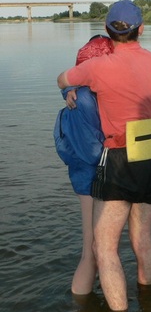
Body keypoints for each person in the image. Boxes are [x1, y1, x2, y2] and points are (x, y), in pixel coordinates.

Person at [57, 0, 151, 311]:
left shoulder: (97, 67)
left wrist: (70, 89)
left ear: (106, 30)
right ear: (141, 29)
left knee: (103, 247)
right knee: (143, 239)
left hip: (120, 158)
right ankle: (150, 308)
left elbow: (62, 79)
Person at [54, 35, 113, 295]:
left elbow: (64, 143)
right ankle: (80, 303)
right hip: (93, 180)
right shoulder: (88, 99)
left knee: (96, 246)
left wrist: (67, 88)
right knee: (92, 249)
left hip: (85, 176)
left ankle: (85, 305)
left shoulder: (77, 96)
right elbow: (91, 151)